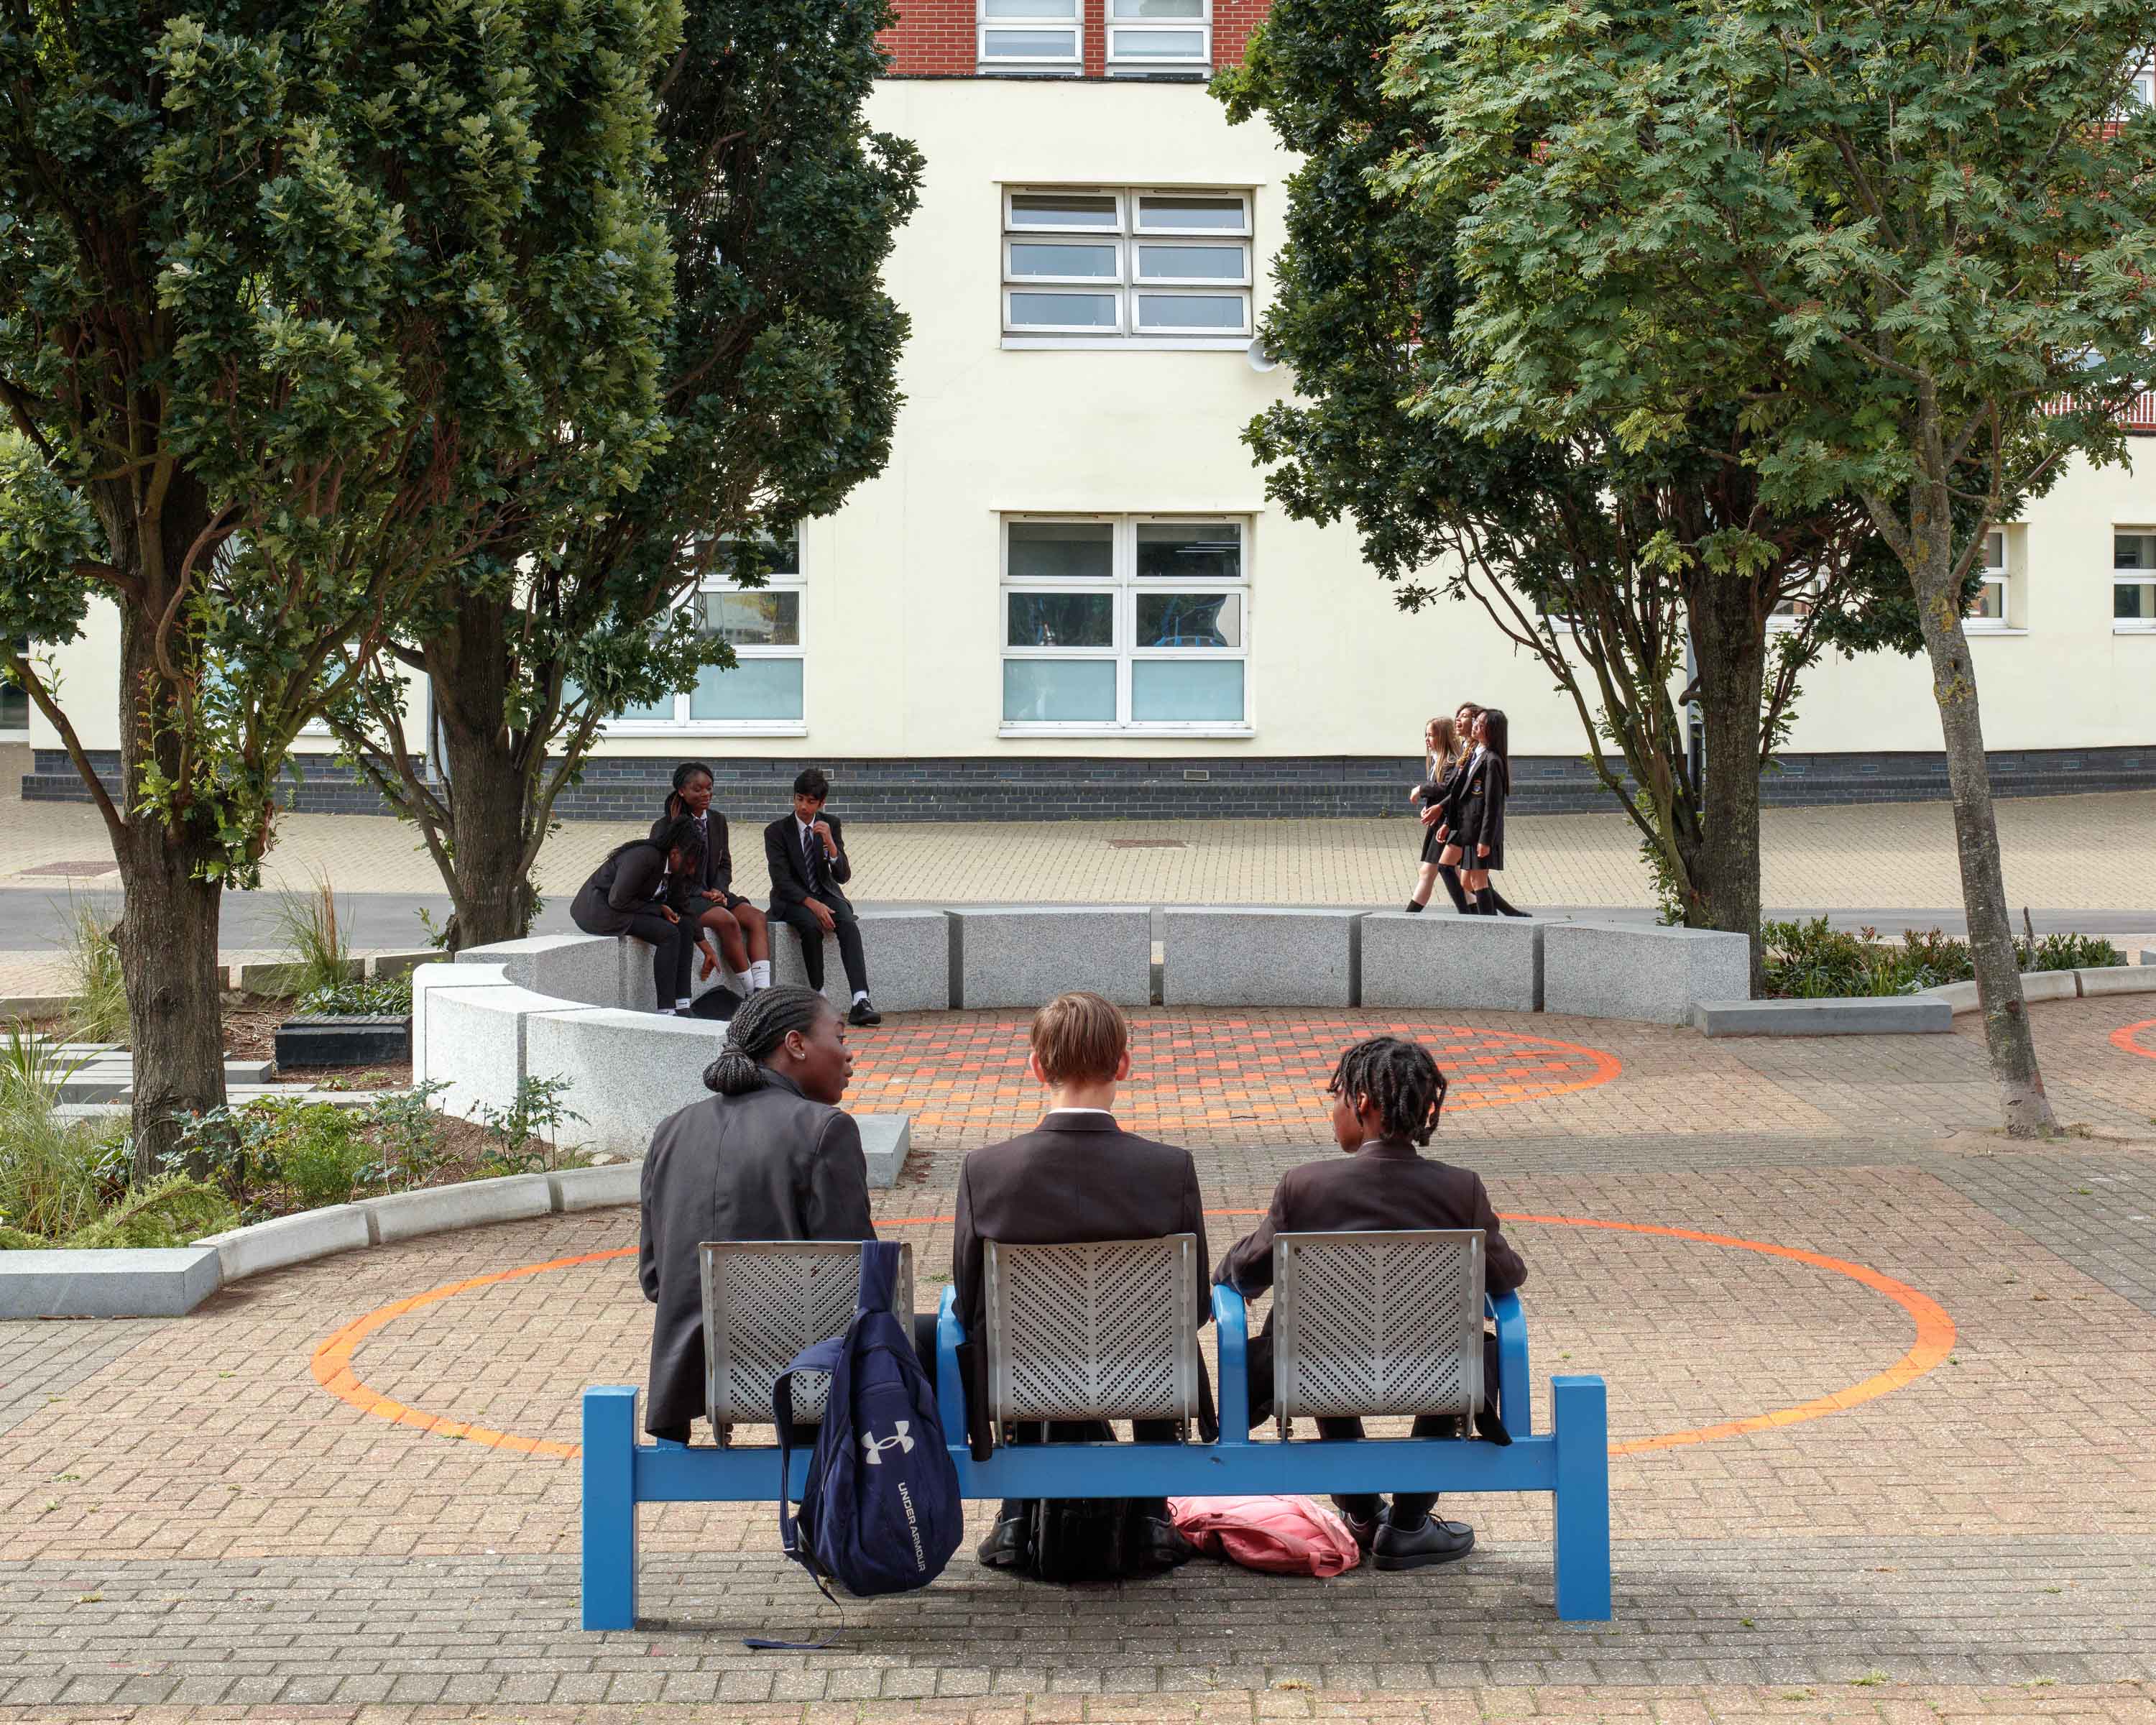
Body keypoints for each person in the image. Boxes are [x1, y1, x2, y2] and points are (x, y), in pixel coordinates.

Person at [1214, 1035, 1527, 1570]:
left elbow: (1242, 1274)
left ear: (1362, 1103)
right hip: (1437, 1376)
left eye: (1337, 1098)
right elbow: (1507, 1276)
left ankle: (1361, 1512)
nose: (1332, 1111)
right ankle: (1408, 1524)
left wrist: (1229, 1270)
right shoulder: (1462, 1191)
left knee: (1305, 1334)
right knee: (1458, 1341)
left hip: (1316, 1376)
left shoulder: (1304, 1188)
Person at [952, 990, 1212, 1572]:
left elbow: (968, 1304)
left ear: (1036, 1067)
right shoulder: (1169, 1169)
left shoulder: (986, 1170)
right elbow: (1194, 1305)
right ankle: (1151, 1519)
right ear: (1123, 1064)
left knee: (1007, 1334)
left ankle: (1016, 1517)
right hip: (1146, 1373)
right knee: (1160, 1333)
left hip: (1023, 1375)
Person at [637, 986, 939, 1443]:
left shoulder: (672, 1131)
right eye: (840, 1037)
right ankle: (922, 1476)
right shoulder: (825, 1129)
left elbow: (654, 1279)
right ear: (796, 1045)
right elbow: (858, 1280)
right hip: (806, 1377)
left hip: (696, 1377)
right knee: (942, 1338)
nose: (849, 1055)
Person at [765, 767, 880, 1026]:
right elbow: (781, 881)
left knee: (848, 923)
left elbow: (843, 876)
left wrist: (831, 844)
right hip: (791, 899)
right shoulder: (776, 831)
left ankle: (861, 1000)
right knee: (810, 925)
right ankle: (819, 999)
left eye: (810, 801)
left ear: (821, 803)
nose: (804, 807)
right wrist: (813, 905)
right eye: (799, 799)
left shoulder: (831, 824)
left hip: (825, 892)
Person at [654, 762, 771, 998]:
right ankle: (753, 995)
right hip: (684, 897)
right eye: (697, 789)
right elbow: (665, 873)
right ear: (682, 791)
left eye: (709, 788)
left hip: (714, 893)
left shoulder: (717, 820)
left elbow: (724, 863)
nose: (706, 794)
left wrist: (719, 889)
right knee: (727, 921)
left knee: (757, 917)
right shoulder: (666, 826)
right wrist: (702, 893)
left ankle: (764, 990)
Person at [570, 816, 703, 1013]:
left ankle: (683, 1004)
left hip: (624, 908)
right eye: (690, 864)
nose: (691, 871)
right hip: (600, 911)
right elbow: (617, 899)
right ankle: (666, 1011)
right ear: (675, 853)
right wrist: (658, 909)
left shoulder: (674, 870)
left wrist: (703, 942)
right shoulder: (644, 857)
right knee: (669, 934)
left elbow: (682, 906)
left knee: (684, 926)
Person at [1441, 707, 1528, 917]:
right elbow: (1460, 794)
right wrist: (1448, 823)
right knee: (1468, 881)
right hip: (1468, 829)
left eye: (1481, 724)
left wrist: (1485, 839)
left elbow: (1493, 805)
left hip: (1480, 831)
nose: (1475, 726)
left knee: (1478, 881)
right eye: (1476, 722)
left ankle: (1491, 927)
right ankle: (1501, 917)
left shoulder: (1492, 760)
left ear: (1492, 731)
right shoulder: (1474, 754)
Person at [1405, 712, 1472, 915]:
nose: (1427, 740)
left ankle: (1408, 918)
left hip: (1446, 825)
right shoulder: (1439, 760)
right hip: (1440, 824)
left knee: (1429, 872)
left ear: (1443, 737)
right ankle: (1475, 915)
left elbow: (1448, 789)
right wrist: (1429, 806)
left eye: (1431, 735)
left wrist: (1421, 789)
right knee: (1457, 875)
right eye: (1426, 735)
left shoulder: (1451, 761)